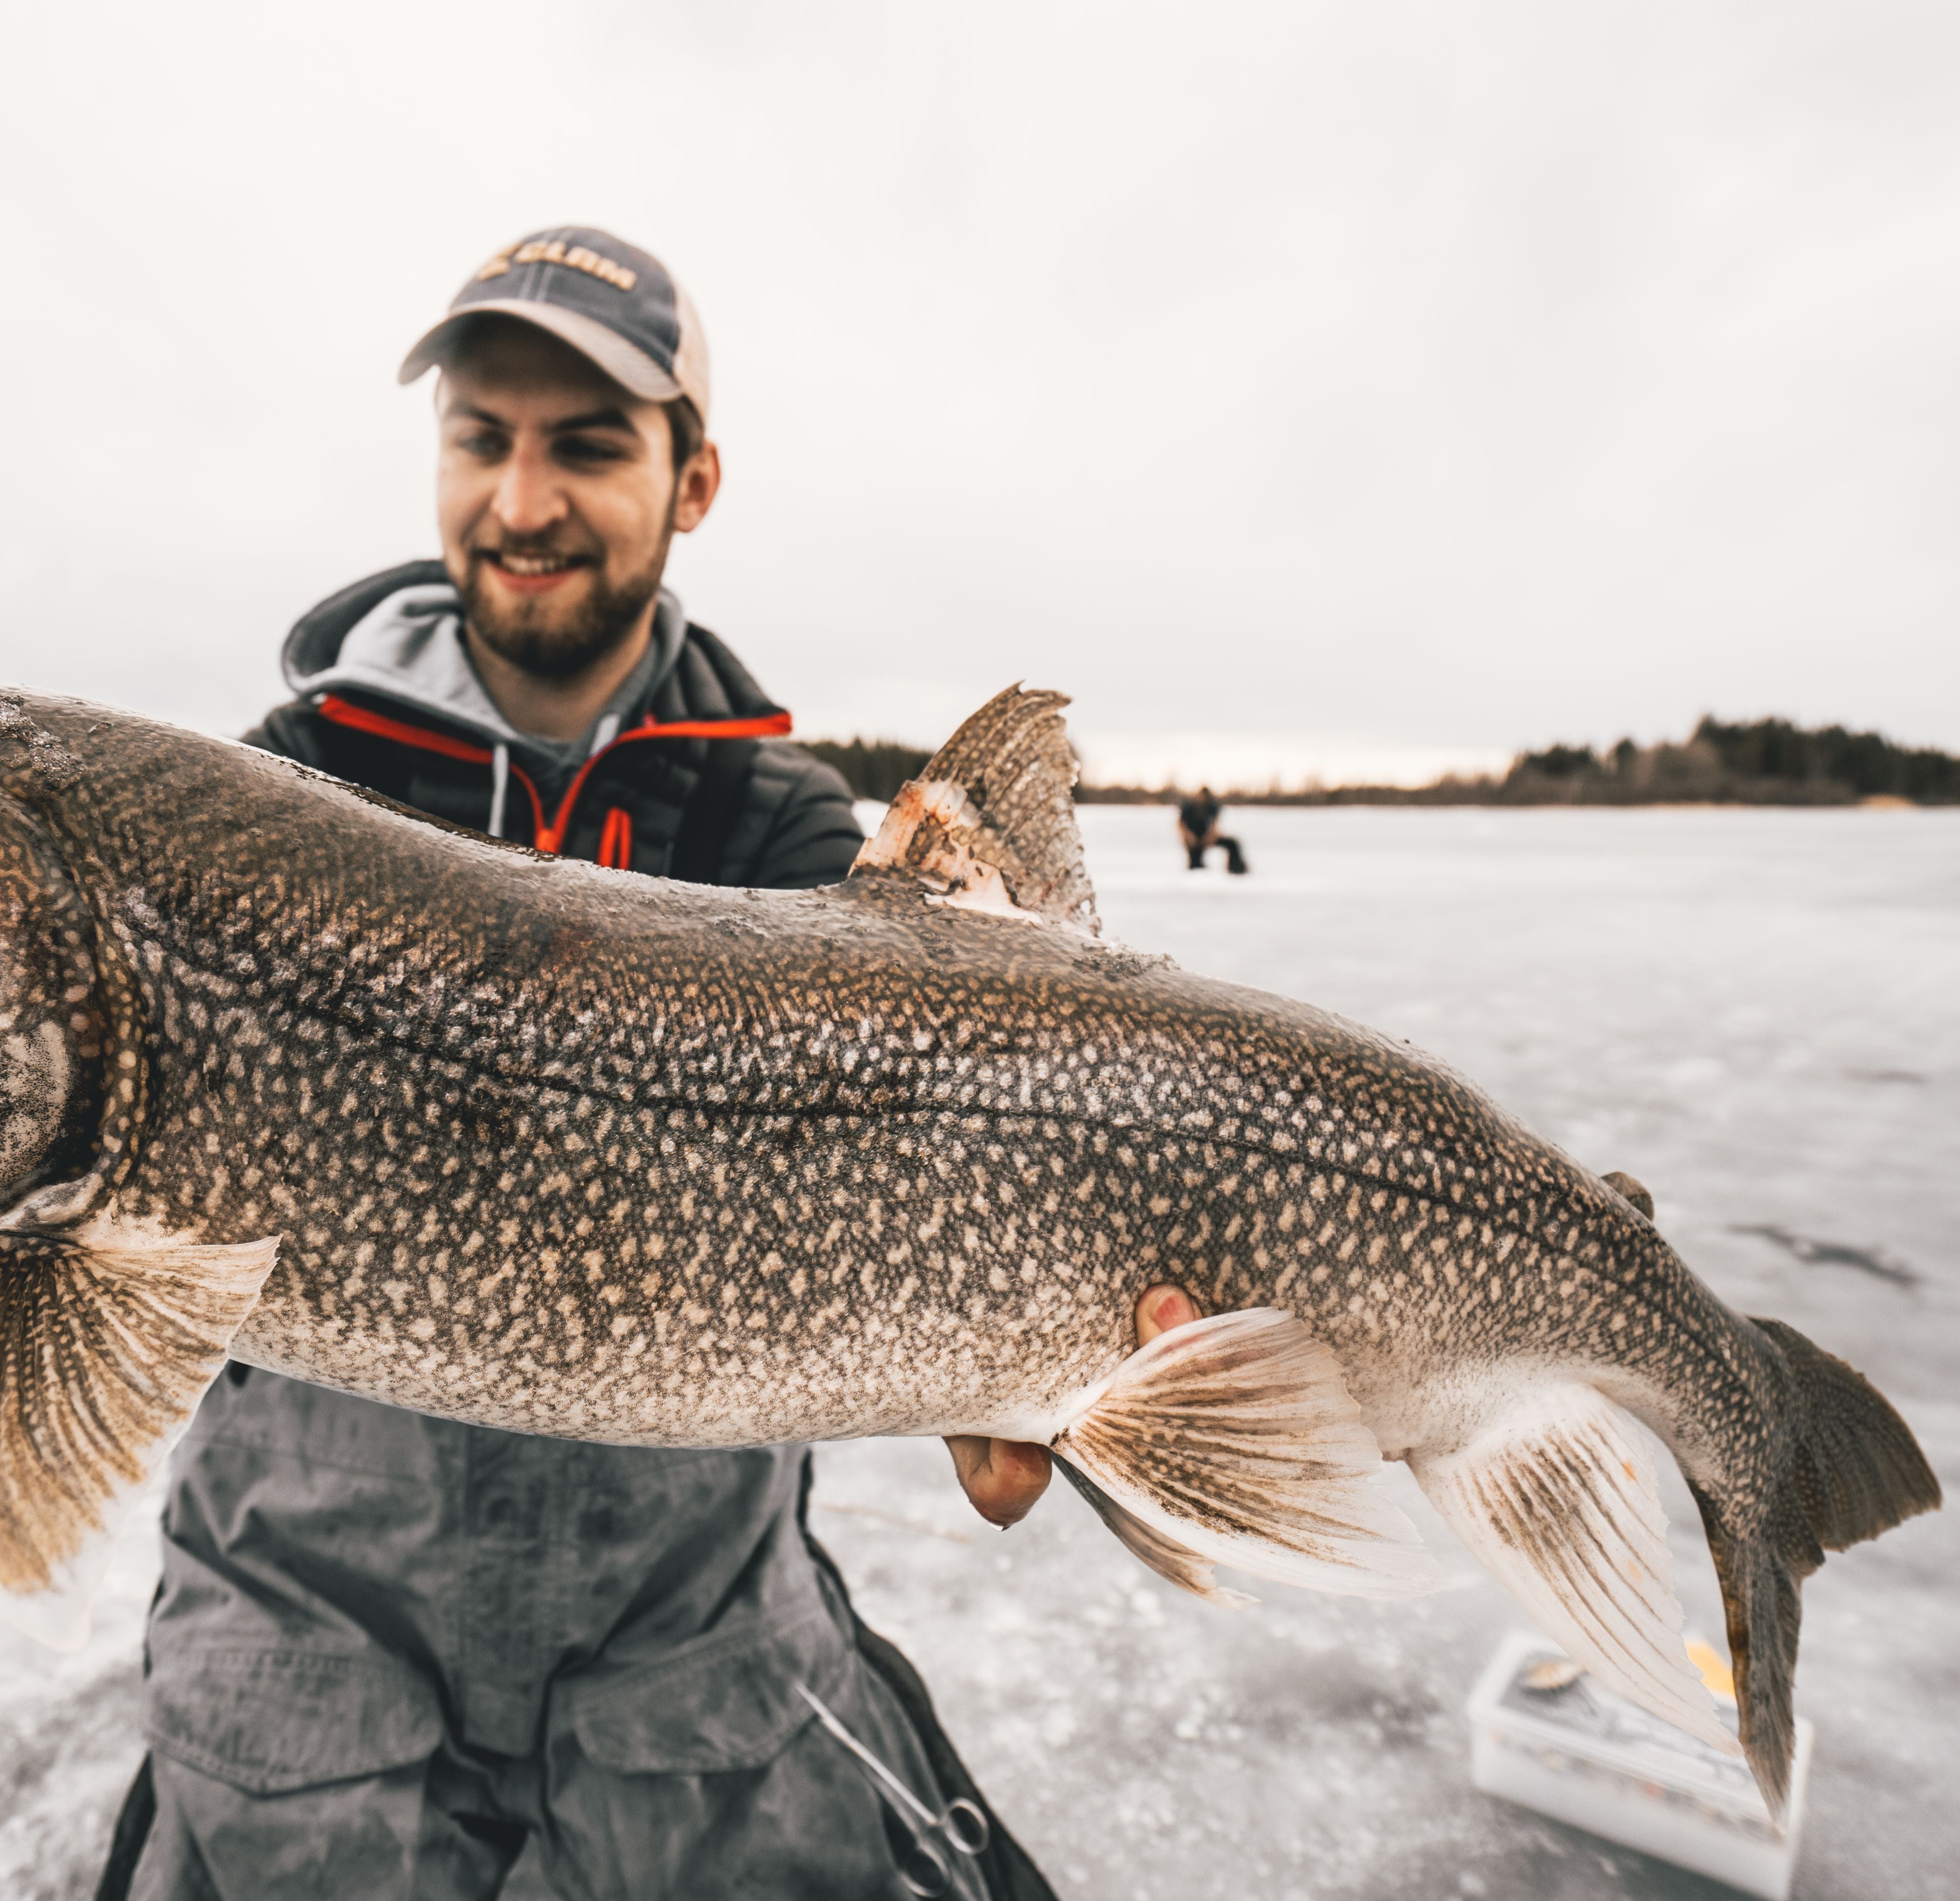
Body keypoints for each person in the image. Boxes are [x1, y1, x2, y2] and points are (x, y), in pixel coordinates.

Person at [89, 228, 1194, 1901]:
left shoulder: (782, 826)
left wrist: (1051, 1360)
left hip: (688, 1608)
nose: (521, 499)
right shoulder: (276, 788)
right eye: (482, 437)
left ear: (694, 482)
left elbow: (964, 1125)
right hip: (309, 1587)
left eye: (589, 445)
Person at [1177, 784, 1247, 874]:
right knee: (1195, 865)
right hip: (1193, 838)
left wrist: (1211, 836)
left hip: (1208, 837)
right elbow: (1181, 823)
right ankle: (1197, 868)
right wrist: (1188, 836)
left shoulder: (1212, 807)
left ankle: (1236, 867)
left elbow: (1215, 824)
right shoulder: (1189, 807)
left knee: (1232, 843)